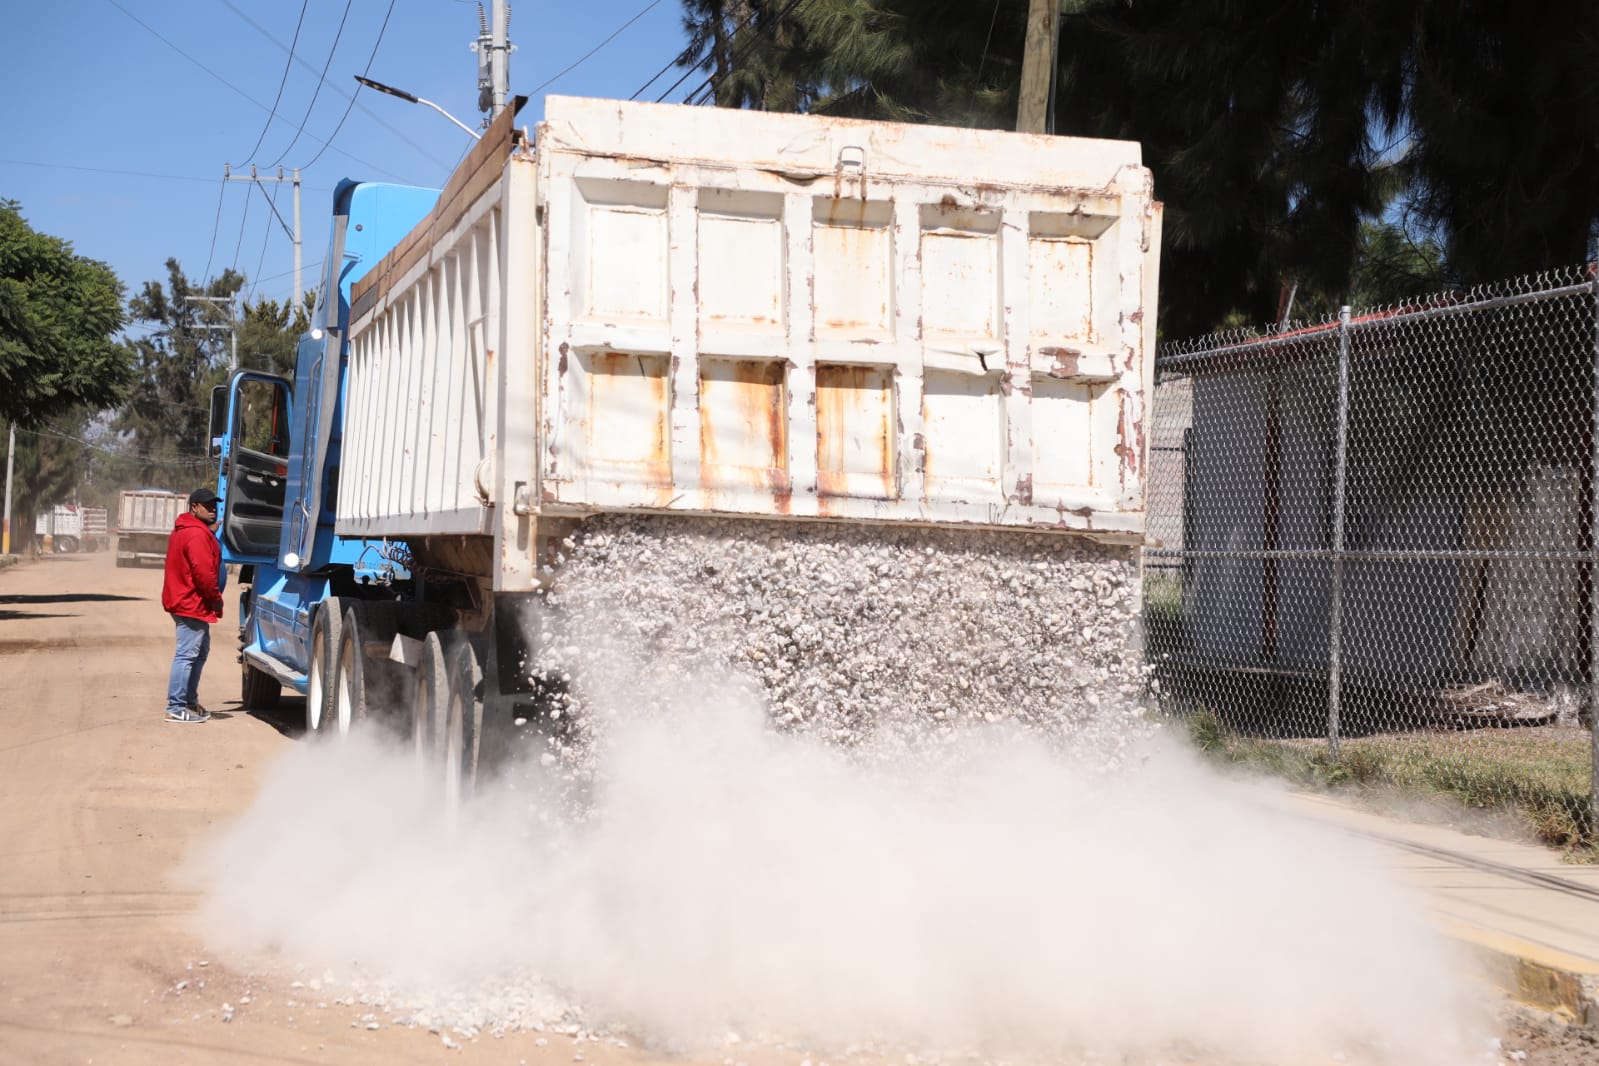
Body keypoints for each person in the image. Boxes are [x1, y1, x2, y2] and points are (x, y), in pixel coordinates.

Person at [162, 487, 224, 723]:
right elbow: (204, 574)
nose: (212, 509)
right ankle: (176, 706)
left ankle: (188, 701)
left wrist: (211, 531)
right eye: (207, 506)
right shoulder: (196, 535)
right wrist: (215, 599)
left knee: (199, 651)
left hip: (187, 601)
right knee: (187, 655)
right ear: (194, 507)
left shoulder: (190, 529)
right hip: (191, 602)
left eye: (214, 506)